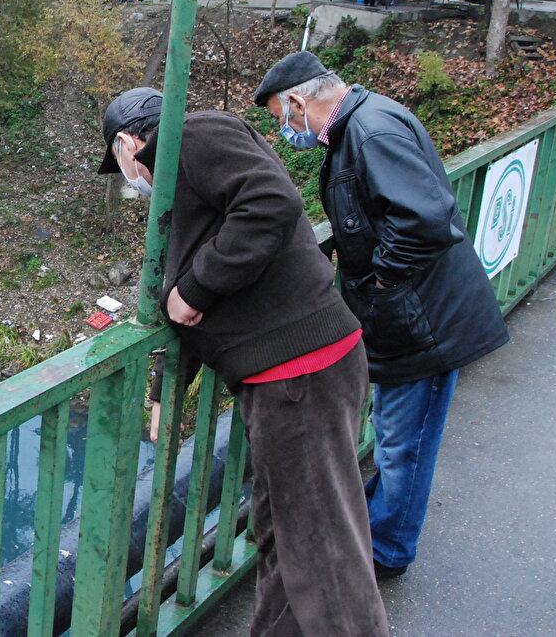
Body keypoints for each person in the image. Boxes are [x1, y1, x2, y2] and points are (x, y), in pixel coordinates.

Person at [99, 87, 389, 637]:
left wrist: (199, 288)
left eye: (120, 166)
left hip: (298, 373)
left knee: (323, 552)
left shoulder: (187, 136)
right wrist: (166, 388)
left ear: (125, 144)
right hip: (293, 374)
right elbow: (177, 301)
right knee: (286, 533)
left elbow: (272, 205)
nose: (128, 179)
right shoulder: (185, 182)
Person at [253, 52, 509, 578]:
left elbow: (426, 219)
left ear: (299, 101)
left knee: (403, 443)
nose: (286, 128)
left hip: (424, 321)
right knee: (396, 433)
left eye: (284, 115)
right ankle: (378, 527)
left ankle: (385, 550)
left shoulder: (369, 133)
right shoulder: (365, 122)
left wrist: (381, 281)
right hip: (414, 315)